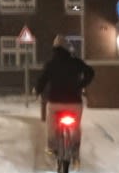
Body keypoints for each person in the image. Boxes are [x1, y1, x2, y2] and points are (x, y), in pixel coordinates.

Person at [35, 35, 95, 163]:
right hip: (74, 103)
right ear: (67, 49)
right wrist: (82, 84)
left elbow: (43, 80)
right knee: (76, 127)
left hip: (55, 102)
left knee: (51, 125)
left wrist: (37, 90)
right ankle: (75, 150)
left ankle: (51, 147)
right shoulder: (75, 62)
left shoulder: (51, 64)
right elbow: (90, 72)